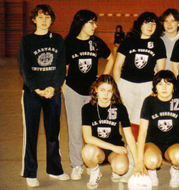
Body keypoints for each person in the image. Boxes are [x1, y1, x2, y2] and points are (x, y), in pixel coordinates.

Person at [18, 4, 69, 187]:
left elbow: (61, 67)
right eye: (40, 17)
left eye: (47, 17)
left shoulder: (57, 39)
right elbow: (24, 68)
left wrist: (53, 87)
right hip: (32, 94)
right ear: (34, 20)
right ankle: (30, 173)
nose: (44, 20)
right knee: (31, 134)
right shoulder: (27, 40)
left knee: (53, 133)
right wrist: (35, 88)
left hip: (52, 93)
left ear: (52, 19)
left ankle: (55, 170)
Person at [64, 9, 114, 181]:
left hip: (92, 92)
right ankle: (77, 165)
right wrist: (64, 87)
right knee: (75, 128)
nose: (95, 26)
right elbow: (64, 67)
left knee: (93, 128)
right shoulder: (69, 43)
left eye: (95, 22)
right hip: (73, 90)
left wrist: (102, 78)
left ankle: (92, 163)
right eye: (91, 22)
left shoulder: (96, 42)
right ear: (81, 23)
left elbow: (111, 58)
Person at [133, 70, 179, 188]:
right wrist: (139, 160)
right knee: (150, 161)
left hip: (173, 143)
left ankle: (175, 169)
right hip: (153, 143)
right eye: (160, 84)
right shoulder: (149, 101)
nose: (164, 88)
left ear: (174, 86)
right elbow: (142, 132)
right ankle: (152, 171)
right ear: (155, 87)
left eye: (168, 84)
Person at [113, 12, 166, 140]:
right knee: (125, 119)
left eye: (153, 24)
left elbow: (160, 70)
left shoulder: (158, 43)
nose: (150, 26)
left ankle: (134, 155)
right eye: (147, 23)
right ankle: (127, 148)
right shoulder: (128, 41)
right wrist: (117, 86)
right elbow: (117, 66)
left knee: (138, 120)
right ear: (139, 25)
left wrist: (155, 89)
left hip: (145, 86)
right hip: (126, 84)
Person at [81, 75, 137, 189]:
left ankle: (115, 170)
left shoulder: (120, 108)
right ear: (96, 89)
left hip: (115, 151)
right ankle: (94, 171)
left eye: (109, 91)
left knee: (121, 168)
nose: (105, 95)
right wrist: (112, 147)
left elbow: (129, 136)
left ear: (113, 92)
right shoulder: (87, 108)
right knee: (87, 151)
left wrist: (138, 162)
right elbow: (88, 138)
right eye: (102, 90)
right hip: (97, 149)